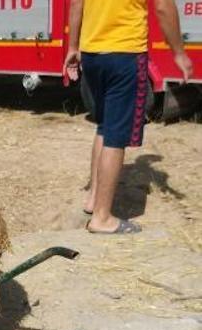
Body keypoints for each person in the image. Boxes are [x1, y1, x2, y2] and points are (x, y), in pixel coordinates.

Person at [64, 0, 194, 234]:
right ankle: (102, 218)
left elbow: (75, 3)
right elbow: (164, 7)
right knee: (116, 135)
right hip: (125, 54)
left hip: (92, 54)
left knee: (104, 126)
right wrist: (179, 53)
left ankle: (94, 200)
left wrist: (73, 47)